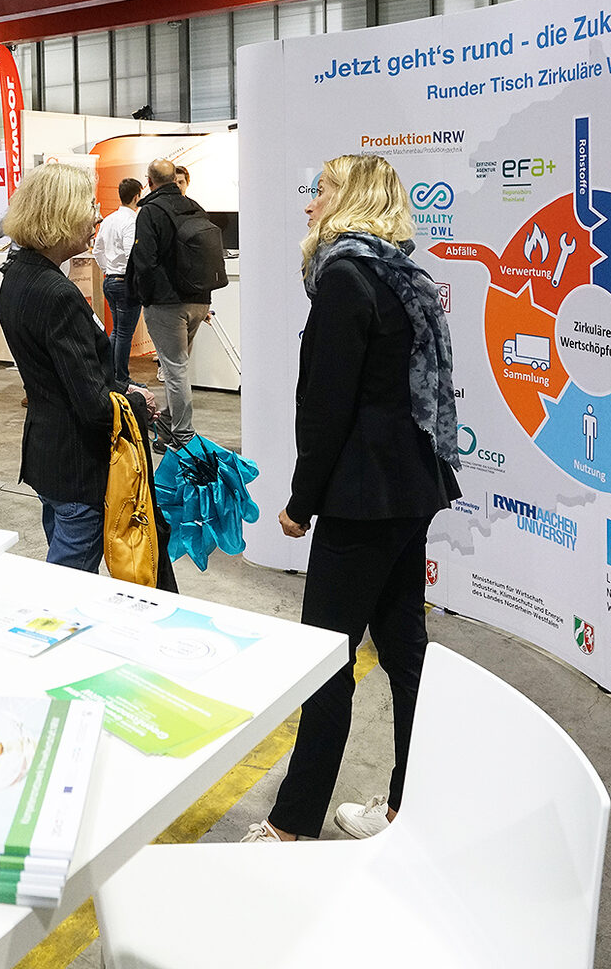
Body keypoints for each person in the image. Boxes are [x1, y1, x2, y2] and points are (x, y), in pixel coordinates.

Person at [245, 153, 461, 844]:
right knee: (404, 652)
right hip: (410, 489)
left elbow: (328, 406)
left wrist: (301, 501)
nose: (310, 205)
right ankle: (406, 807)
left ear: (350, 199)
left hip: (363, 498)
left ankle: (289, 825)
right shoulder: (401, 275)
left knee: (326, 662)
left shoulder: (344, 277)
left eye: (321, 192)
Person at [0, 163, 175, 591]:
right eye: (88, 208)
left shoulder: (18, 276)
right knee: (65, 593)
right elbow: (93, 405)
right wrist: (137, 402)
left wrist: (122, 387)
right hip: (78, 465)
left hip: (47, 454)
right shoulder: (57, 294)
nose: (96, 218)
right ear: (60, 216)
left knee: (63, 574)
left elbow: (64, 375)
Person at [129, 158, 217, 442]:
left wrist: (145, 297)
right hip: (199, 300)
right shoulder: (195, 207)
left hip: (167, 304)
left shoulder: (150, 211)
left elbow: (144, 261)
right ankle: (168, 423)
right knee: (177, 366)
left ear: (149, 182)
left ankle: (183, 436)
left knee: (174, 369)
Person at [95, 177, 143, 384]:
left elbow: (97, 250)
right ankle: (121, 378)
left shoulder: (109, 219)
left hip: (110, 280)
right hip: (125, 283)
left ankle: (112, 376)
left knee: (117, 331)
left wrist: (108, 270)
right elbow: (132, 254)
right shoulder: (131, 221)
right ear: (137, 197)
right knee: (123, 333)